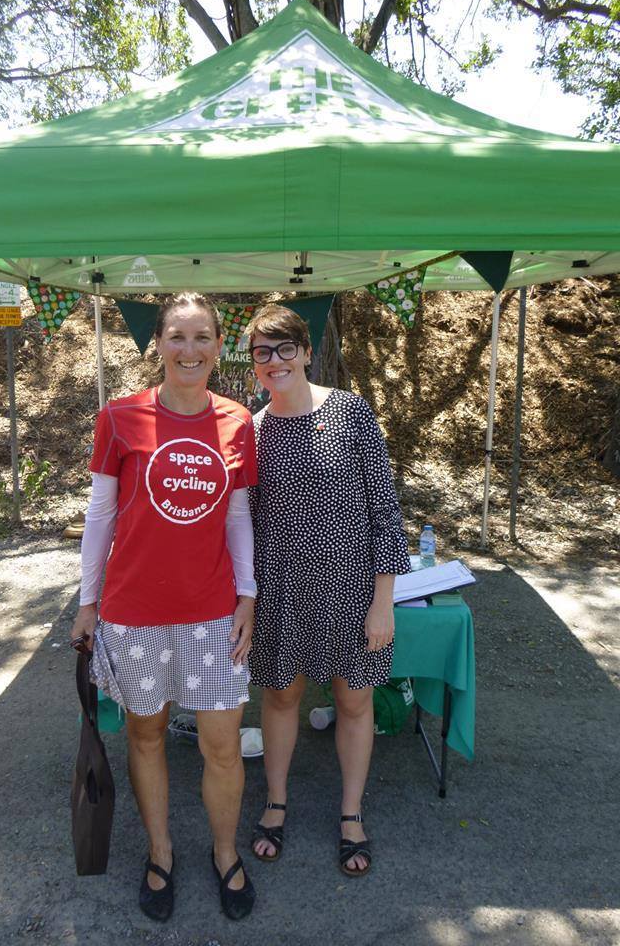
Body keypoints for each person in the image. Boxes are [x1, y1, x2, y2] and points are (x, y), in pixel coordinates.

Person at [70, 294, 257, 922]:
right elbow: (100, 517)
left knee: (222, 746)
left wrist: (248, 596)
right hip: (134, 613)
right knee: (146, 736)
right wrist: (87, 604)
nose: (189, 349)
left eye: (202, 337)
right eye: (177, 336)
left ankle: (225, 852)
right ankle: (160, 852)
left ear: (219, 346)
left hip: (213, 611)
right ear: (158, 343)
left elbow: (237, 518)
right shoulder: (119, 418)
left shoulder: (237, 422)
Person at [246, 305, 411, 878]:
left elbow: (385, 512)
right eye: (262, 352)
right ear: (253, 363)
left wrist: (383, 602)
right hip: (281, 592)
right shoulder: (251, 430)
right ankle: (275, 802)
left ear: (308, 351)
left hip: (351, 591)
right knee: (280, 698)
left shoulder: (351, 412)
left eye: (285, 348)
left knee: (354, 702)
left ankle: (350, 813)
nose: (274, 361)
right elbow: (240, 523)